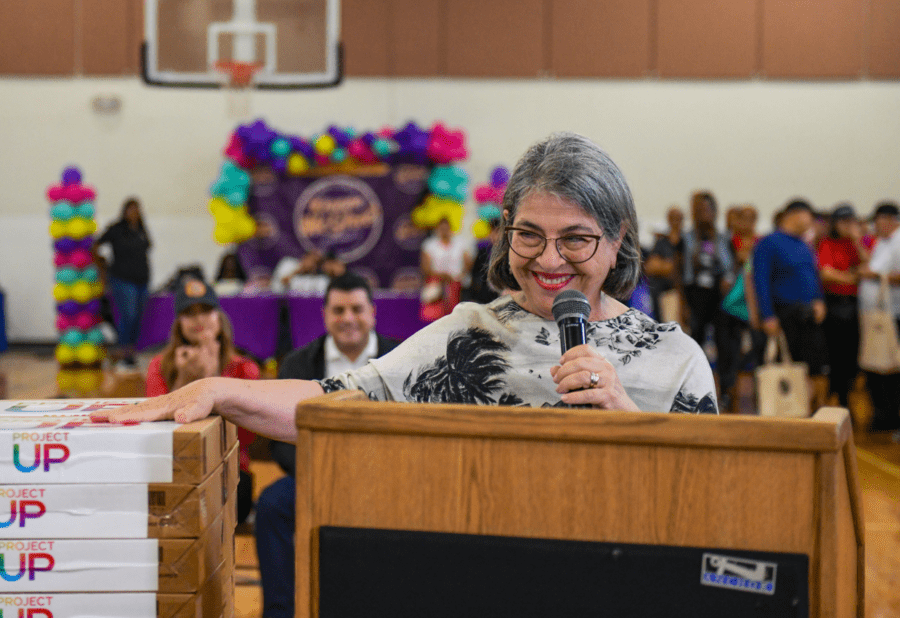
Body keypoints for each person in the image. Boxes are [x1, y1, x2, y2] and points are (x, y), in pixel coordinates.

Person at [97, 132, 718, 444]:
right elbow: (332, 398)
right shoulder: (467, 334)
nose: (548, 260)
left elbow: (708, 500)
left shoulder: (676, 359)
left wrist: (627, 418)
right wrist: (217, 388)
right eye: (529, 234)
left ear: (618, 240)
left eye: (576, 239)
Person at [254, 272, 400, 618]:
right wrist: (327, 473)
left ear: (372, 313)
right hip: (315, 477)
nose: (348, 318)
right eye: (338, 310)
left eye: (356, 309)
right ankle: (280, 611)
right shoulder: (297, 364)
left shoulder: (400, 359)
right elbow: (281, 442)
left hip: (390, 479)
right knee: (272, 506)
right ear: (324, 315)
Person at [144, 277, 260, 522]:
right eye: (189, 313)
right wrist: (183, 382)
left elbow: (248, 436)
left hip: (230, 472)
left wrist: (212, 381)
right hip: (174, 470)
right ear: (179, 323)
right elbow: (157, 434)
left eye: (205, 310)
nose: (198, 320)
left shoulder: (244, 369)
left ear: (219, 317)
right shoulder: (160, 366)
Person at [752, 199, 828, 411]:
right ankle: (782, 412)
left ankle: (809, 410)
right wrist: (767, 315)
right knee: (784, 366)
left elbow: (813, 275)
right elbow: (761, 281)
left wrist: (819, 300)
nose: (812, 221)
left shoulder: (804, 244)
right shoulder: (768, 243)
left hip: (809, 314)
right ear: (794, 214)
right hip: (784, 314)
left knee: (813, 367)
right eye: (809, 216)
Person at [816, 204, 868, 409]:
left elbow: (869, 266)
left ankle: (846, 392)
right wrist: (852, 277)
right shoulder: (827, 243)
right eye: (843, 222)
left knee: (852, 352)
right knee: (834, 352)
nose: (847, 226)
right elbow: (826, 273)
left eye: (851, 221)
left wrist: (857, 241)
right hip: (834, 303)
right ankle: (835, 394)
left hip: (855, 305)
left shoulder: (858, 243)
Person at [857, 201, 900, 432]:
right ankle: (883, 415)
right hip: (877, 314)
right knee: (876, 365)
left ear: (889, 220)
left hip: (893, 314)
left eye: (878, 221)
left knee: (892, 367)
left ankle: (892, 415)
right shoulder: (883, 242)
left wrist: (875, 275)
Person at [96, 197, 152, 370]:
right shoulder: (116, 229)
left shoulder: (141, 230)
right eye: (130, 209)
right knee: (128, 315)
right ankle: (123, 352)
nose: (134, 213)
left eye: (137, 209)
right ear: (125, 211)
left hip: (141, 280)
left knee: (138, 318)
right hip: (122, 280)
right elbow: (95, 245)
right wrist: (102, 266)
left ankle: (131, 353)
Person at [681, 191, 734, 347]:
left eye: (708, 209)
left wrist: (728, 278)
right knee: (697, 333)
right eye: (700, 209)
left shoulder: (723, 238)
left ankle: (725, 371)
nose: (705, 213)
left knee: (723, 334)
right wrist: (683, 303)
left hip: (719, 291)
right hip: (695, 292)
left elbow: (730, 265)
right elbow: (680, 271)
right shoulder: (687, 238)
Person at [420, 217, 474, 319]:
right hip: (437, 282)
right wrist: (443, 276)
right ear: (437, 230)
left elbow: (468, 263)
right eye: (441, 229)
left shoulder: (461, 243)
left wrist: (460, 275)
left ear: (450, 229)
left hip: (458, 282)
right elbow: (425, 268)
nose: (444, 232)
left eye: (446, 229)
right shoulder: (429, 245)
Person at [644, 206, 685, 323]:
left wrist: (667, 266)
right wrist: (668, 267)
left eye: (678, 218)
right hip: (664, 292)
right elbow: (651, 267)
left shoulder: (686, 240)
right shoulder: (662, 242)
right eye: (673, 218)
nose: (676, 221)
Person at [464, 218, 502, 303]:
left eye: (499, 232)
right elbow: (475, 272)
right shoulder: (483, 249)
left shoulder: (507, 252)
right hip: (484, 293)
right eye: (493, 232)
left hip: (500, 293)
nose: (496, 236)